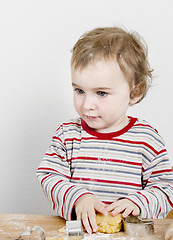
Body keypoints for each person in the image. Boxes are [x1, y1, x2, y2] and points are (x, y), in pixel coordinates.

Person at [36, 26, 173, 234]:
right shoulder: (68, 135)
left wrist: (139, 202)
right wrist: (78, 197)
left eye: (101, 93)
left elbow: (166, 189)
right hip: (79, 234)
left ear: (134, 92)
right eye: (79, 90)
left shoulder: (146, 139)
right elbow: (49, 175)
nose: (87, 104)